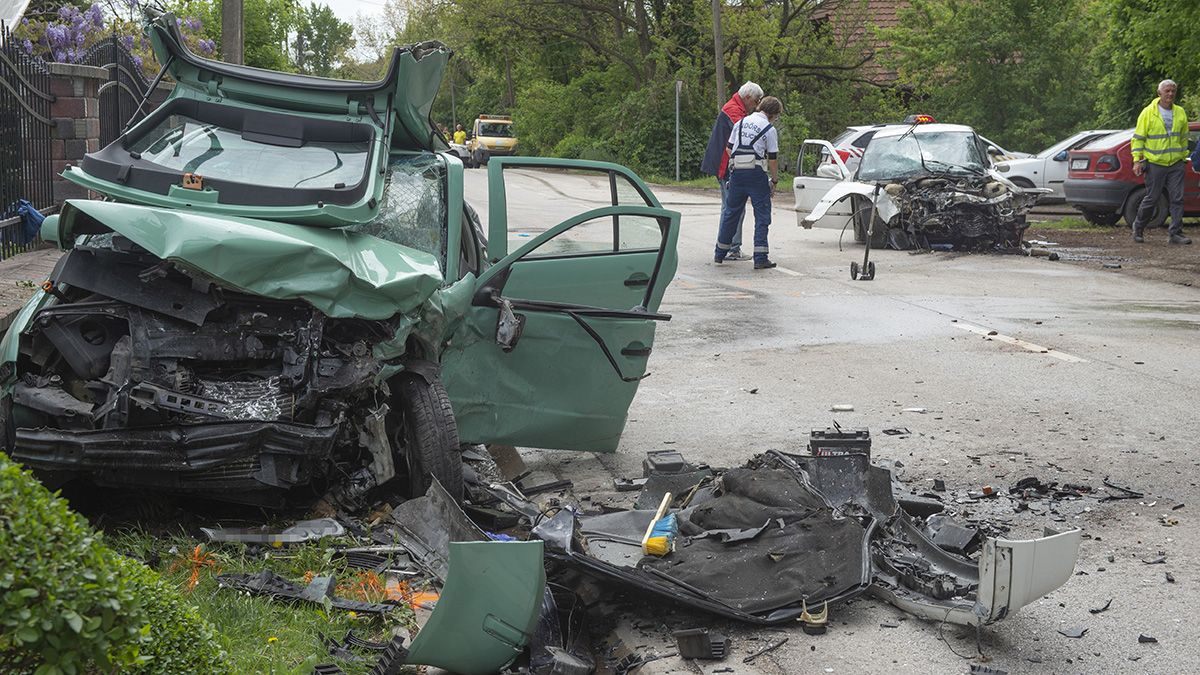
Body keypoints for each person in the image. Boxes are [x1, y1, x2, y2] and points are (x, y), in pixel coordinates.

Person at [713, 96, 783, 269]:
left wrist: (740, 162)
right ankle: (760, 258)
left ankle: (720, 253)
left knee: (731, 213)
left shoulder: (741, 123)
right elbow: (772, 159)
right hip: (756, 175)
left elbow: (729, 148)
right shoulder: (769, 129)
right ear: (773, 114)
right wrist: (774, 180)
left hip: (737, 173)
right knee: (762, 215)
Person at [701, 81, 763, 260]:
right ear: (748, 97)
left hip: (724, 164)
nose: (757, 105)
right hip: (725, 165)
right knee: (733, 208)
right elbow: (746, 135)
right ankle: (731, 248)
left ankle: (727, 246)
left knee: (730, 207)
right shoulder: (734, 112)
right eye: (756, 100)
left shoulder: (735, 107)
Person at [1130, 79, 1192, 245]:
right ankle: (1138, 227)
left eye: (1173, 91)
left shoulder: (1180, 112)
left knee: (1177, 199)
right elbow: (1138, 139)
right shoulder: (1148, 113)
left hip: (1176, 164)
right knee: (1153, 197)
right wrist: (1137, 161)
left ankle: (1175, 234)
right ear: (1159, 93)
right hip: (1155, 163)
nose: (1170, 94)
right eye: (1167, 91)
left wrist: (1183, 156)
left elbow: (1184, 137)